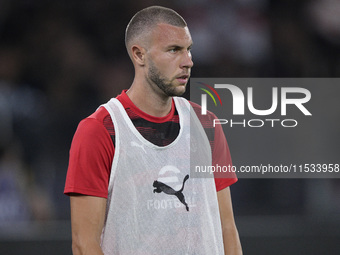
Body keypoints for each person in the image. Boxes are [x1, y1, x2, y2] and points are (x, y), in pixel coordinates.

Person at [64, 5, 242, 255]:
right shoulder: (99, 130)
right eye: (174, 50)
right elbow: (84, 244)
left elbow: (227, 229)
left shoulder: (206, 124)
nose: (188, 62)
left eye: (189, 49)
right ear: (139, 55)